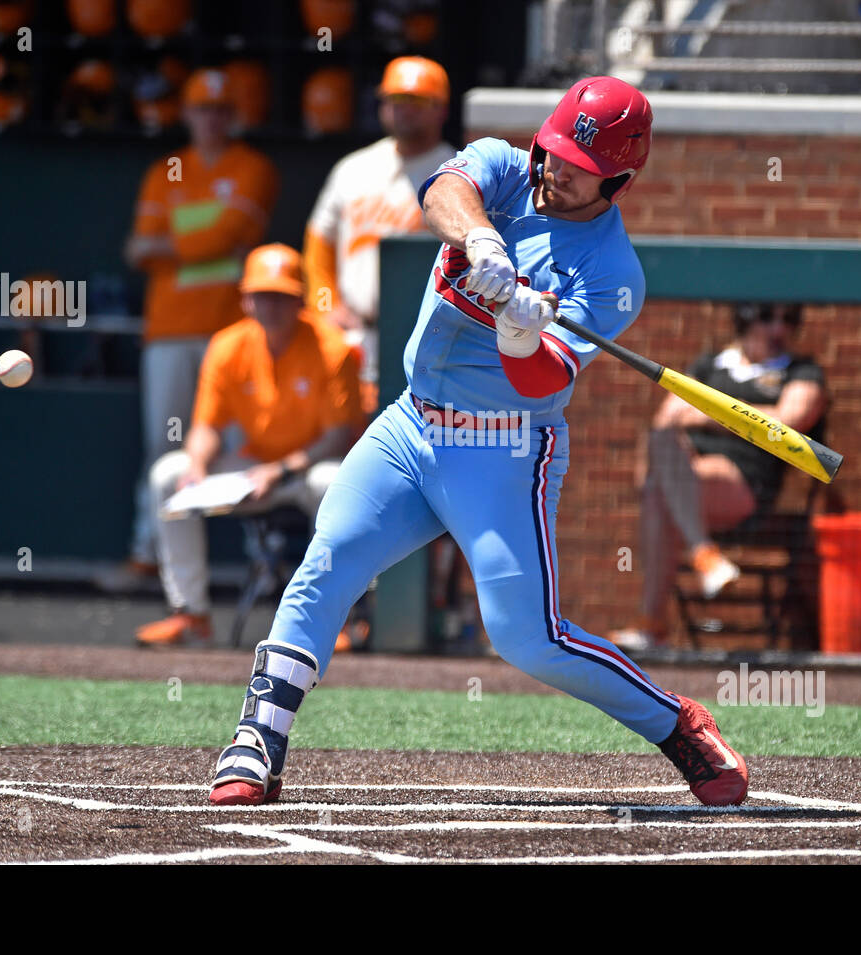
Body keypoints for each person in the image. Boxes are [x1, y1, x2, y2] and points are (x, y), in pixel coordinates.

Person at [207, 76, 750, 809]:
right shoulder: (503, 165)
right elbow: (442, 191)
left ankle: (674, 723)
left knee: (527, 638)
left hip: (504, 450)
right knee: (327, 560)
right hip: (410, 424)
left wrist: (519, 325)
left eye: (576, 164)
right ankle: (258, 739)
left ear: (617, 178)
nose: (555, 167)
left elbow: (541, 380)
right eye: (553, 149)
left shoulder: (613, 274)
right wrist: (483, 237)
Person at [99, 68, 279, 594]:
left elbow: (233, 231)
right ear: (188, 113)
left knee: (248, 441)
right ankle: (147, 553)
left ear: (235, 115)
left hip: (237, 329)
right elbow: (138, 248)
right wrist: (209, 237)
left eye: (222, 110)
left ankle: (262, 563)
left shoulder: (254, 167)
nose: (212, 119)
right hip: (171, 328)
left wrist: (180, 239)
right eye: (203, 108)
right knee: (164, 445)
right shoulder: (168, 169)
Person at [135, 244, 363, 646]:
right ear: (245, 300)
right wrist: (197, 466)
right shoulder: (227, 345)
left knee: (333, 483)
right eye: (262, 296)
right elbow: (207, 426)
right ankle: (190, 613)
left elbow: (335, 439)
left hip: (302, 471)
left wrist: (281, 470)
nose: (271, 306)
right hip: (251, 469)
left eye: (282, 296)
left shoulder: (334, 347)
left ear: (300, 301)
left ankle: (335, 620)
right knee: (168, 475)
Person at [610, 303, 828, 651]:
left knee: (659, 492)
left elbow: (787, 423)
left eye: (789, 319)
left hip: (746, 485)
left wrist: (709, 413)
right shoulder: (710, 365)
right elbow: (666, 419)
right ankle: (703, 557)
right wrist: (723, 416)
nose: (780, 329)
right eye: (768, 317)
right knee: (661, 453)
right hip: (687, 476)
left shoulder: (801, 371)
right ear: (745, 318)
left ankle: (653, 621)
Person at [303, 55, 456, 415]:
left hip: (419, 336)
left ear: (441, 110)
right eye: (396, 100)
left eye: (417, 102)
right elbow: (318, 245)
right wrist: (326, 307)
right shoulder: (353, 168)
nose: (404, 110)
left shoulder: (457, 173)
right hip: (352, 333)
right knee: (344, 435)